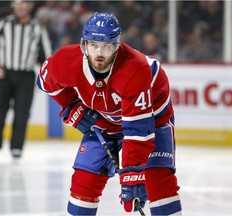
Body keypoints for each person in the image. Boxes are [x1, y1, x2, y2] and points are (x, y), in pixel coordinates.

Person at [37, 12, 182, 215]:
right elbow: (45, 82)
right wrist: (72, 107)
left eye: (106, 46)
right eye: (94, 45)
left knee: (157, 180)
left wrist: (132, 173)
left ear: (117, 46)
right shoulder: (66, 60)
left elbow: (138, 131)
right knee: (84, 180)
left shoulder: (135, 69)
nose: (99, 53)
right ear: (84, 44)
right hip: (105, 120)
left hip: (152, 118)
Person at [0, 0, 52, 162]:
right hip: (4, 74)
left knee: (22, 114)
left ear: (30, 7)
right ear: (13, 6)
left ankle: (16, 148)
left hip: (26, 76)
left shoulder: (37, 27)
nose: (20, 7)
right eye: (17, 4)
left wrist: (45, 73)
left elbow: (47, 55)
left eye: (23, 4)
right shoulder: (3, 24)